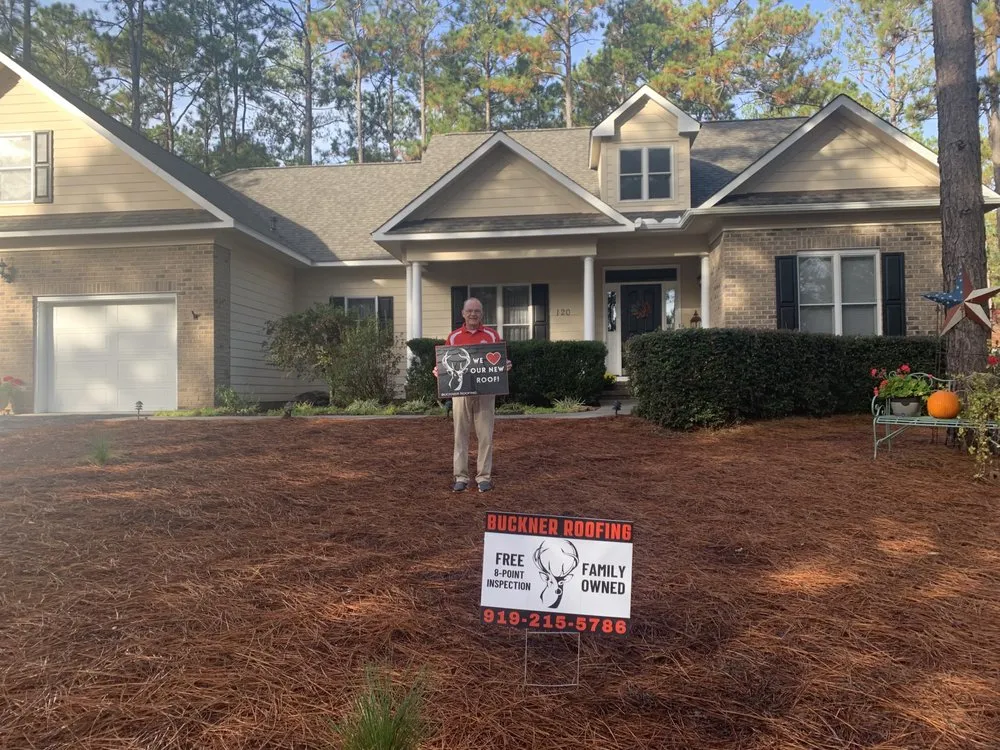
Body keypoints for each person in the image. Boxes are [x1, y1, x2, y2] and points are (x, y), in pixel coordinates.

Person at [433, 297, 513, 493]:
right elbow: (446, 362)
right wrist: (439, 371)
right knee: (460, 435)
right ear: (463, 313)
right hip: (460, 393)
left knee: (485, 435)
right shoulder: (453, 337)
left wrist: (505, 366)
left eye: (477, 311)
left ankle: (483, 477)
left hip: (486, 392)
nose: (473, 314)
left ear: (481, 313)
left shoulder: (492, 335)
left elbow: (499, 361)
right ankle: (460, 477)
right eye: (469, 310)